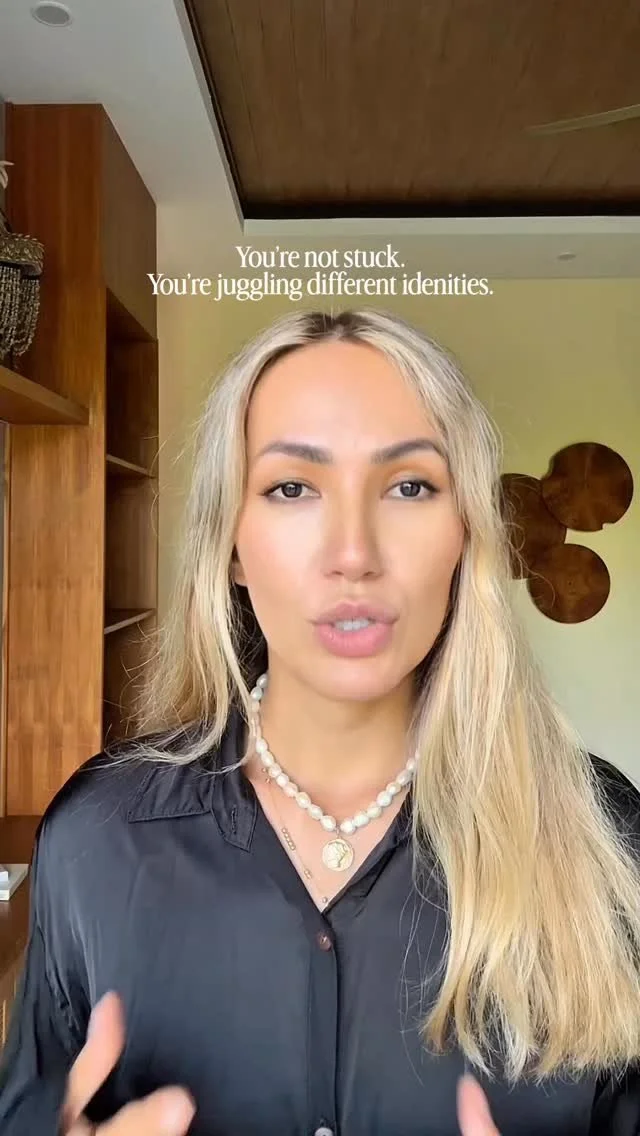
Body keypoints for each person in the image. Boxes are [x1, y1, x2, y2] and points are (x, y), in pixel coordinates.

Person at [0, 308, 639, 1136]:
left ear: (466, 534)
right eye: (292, 488)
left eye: (410, 486)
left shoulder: (604, 838)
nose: (353, 553)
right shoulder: (99, 839)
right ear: (232, 545)